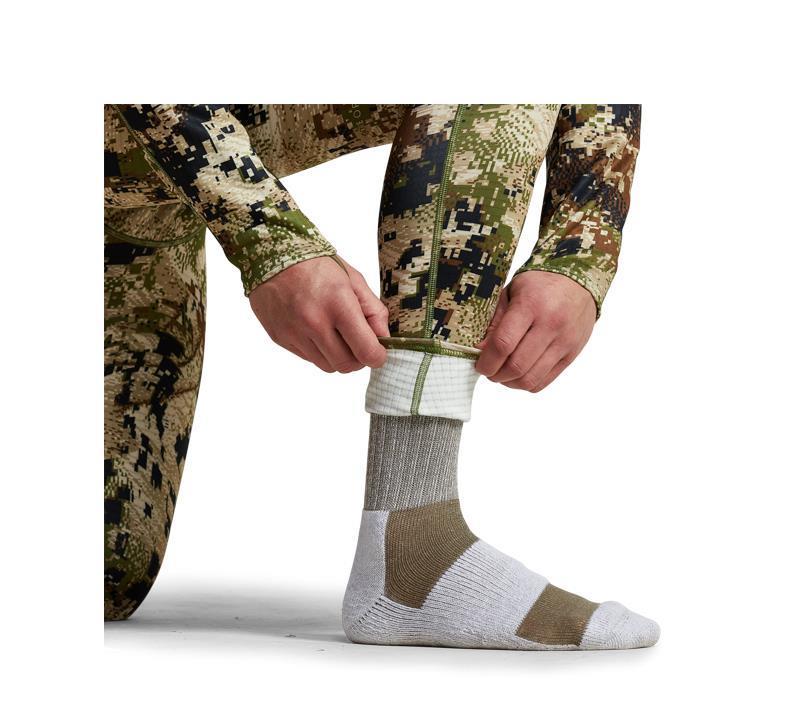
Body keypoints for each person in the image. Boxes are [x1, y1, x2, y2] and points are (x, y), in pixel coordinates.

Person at [104, 104, 658, 650]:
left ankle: (413, 536)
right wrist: (269, 238)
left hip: (148, 204)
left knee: (108, 577)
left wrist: (578, 254)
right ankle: (413, 553)